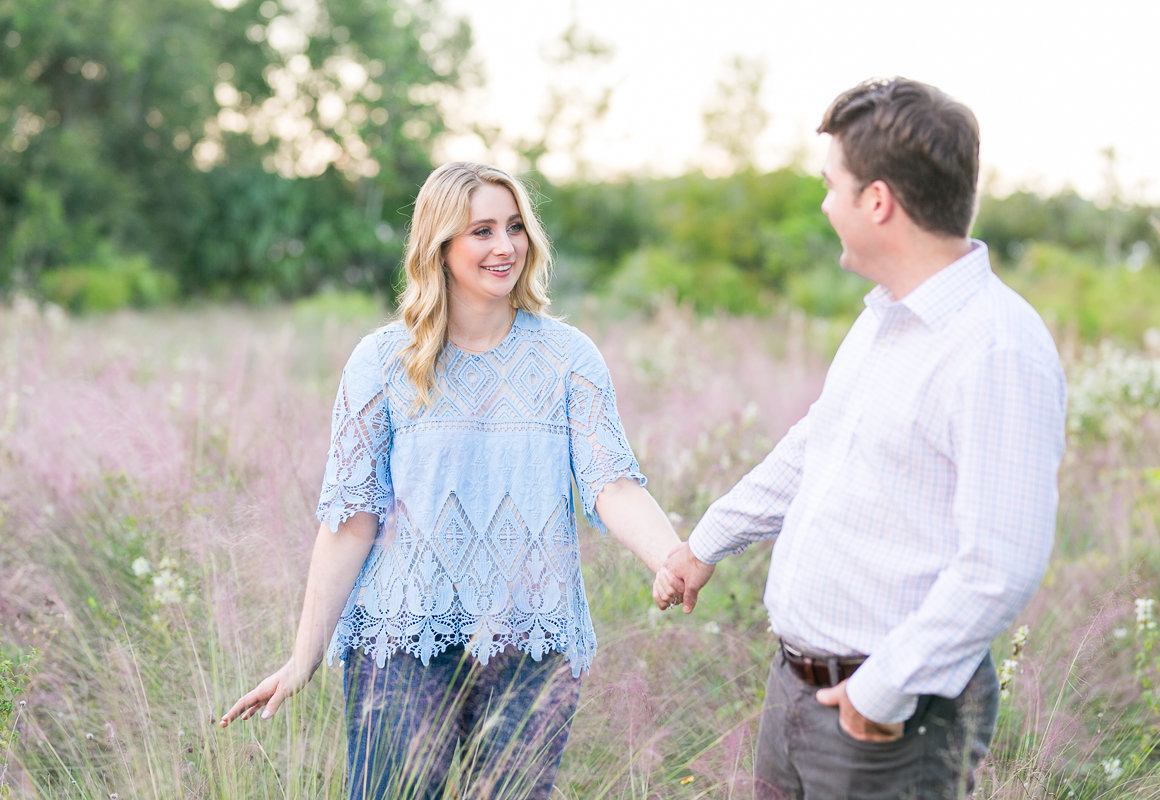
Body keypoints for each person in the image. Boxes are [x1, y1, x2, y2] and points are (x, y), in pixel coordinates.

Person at [654, 78, 1067, 799]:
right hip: (796, 688)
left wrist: (881, 694)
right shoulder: (885, 317)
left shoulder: (996, 348)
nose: (824, 204)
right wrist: (705, 543)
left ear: (877, 201)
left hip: (888, 720)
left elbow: (1000, 565)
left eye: (830, 185)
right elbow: (817, 446)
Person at [220, 161, 684, 799]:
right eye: (482, 231)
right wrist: (304, 656)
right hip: (403, 639)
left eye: (515, 227)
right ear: (439, 246)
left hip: (530, 640)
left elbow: (612, 484)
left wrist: (671, 558)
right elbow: (351, 522)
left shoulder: (568, 358)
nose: (505, 246)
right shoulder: (382, 361)